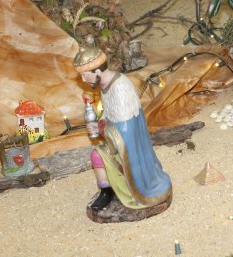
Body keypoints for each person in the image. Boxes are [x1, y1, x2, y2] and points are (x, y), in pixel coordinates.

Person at [73, 40, 172, 211]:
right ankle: (107, 192)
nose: (83, 80)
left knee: (98, 156)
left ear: (97, 71)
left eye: (84, 75)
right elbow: (109, 113)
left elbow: (125, 128)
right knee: (97, 156)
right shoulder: (105, 85)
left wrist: (100, 129)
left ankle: (124, 191)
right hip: (119, 141)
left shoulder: (119, 87)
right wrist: (98, 123)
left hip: (130, 148)